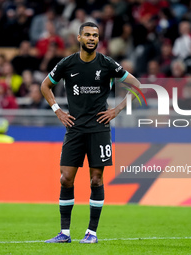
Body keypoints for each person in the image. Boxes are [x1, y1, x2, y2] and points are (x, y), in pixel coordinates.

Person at [41, 22, 141, 244]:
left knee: (96, 180)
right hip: (74, 129)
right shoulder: (67, 64)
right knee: (66, 178)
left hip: (98, 129)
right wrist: (58, 111)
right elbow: (44, 86)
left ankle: (92, 233)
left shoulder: (106, 64)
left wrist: (116, 110)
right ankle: (64, 233)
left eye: (95, 35)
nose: (91, 38)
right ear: (79, 38)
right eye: (87, 35)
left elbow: (136, 85)